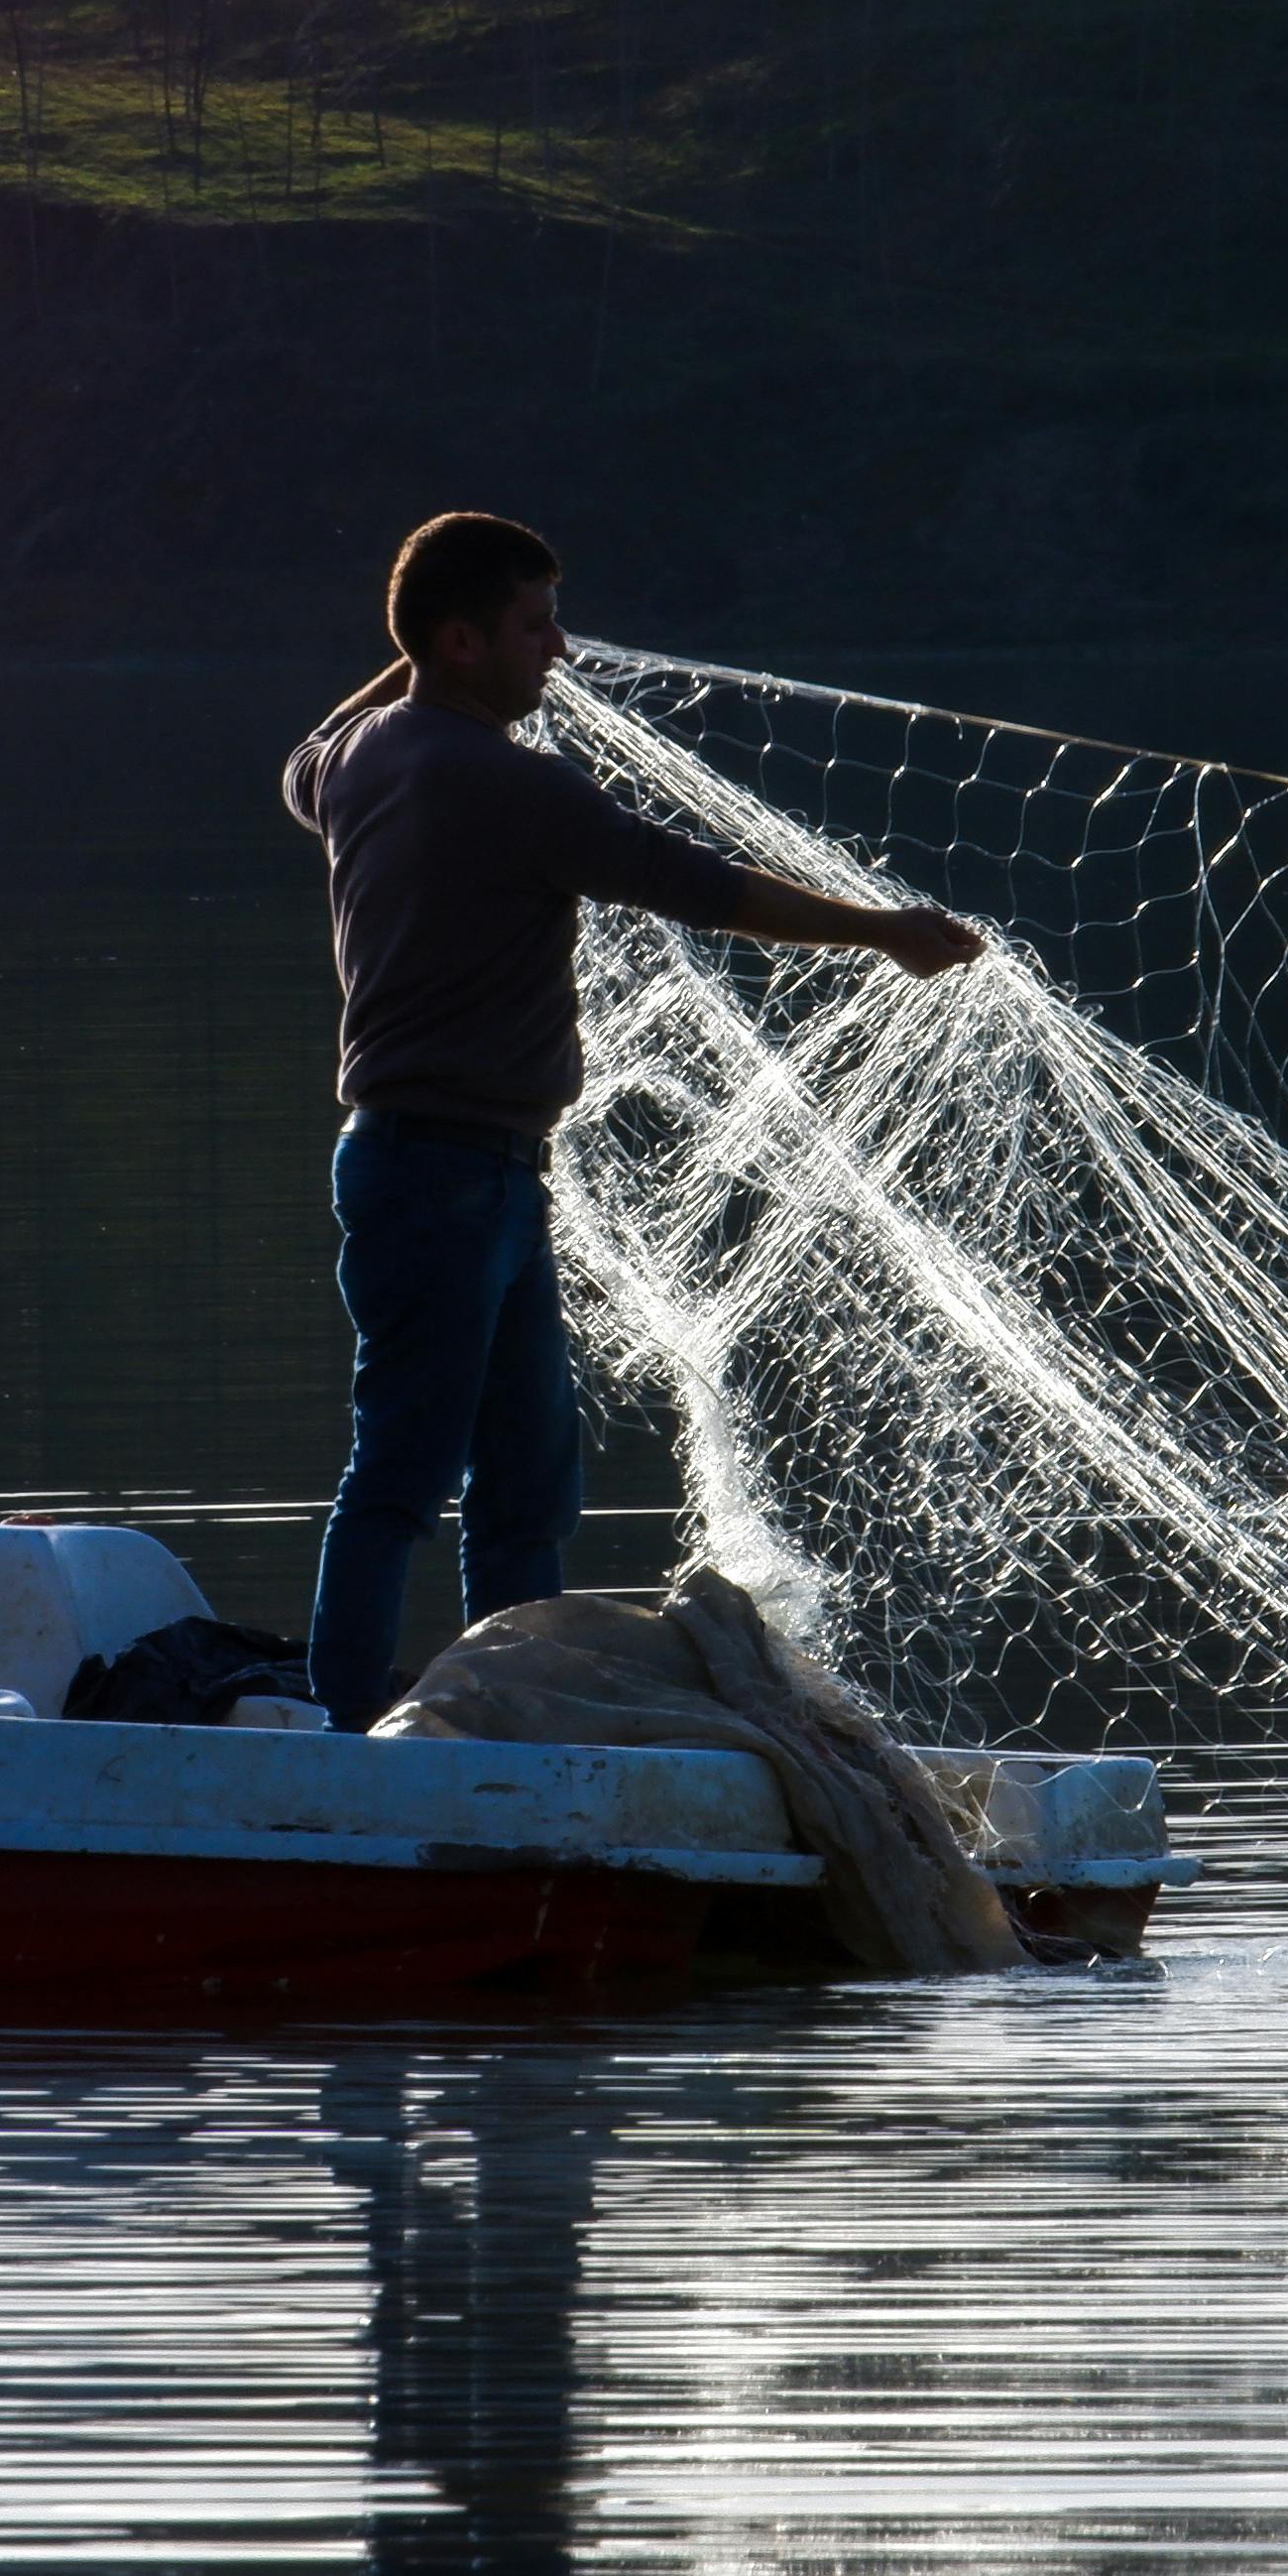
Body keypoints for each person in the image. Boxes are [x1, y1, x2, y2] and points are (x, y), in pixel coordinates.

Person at [284, 512, 985, 1730]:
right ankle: (341, 1733)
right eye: (534, 626)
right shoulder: (505, 783)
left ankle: (510, 1717)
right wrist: (879, 932)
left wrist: (416, 650)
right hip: (442, 1175)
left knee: (524, 1483)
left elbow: (308, 754)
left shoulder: (358, 757)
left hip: (466, 1169)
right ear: (459, 642)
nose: (560, 650)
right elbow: (701, 887)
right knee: (406, 1473)